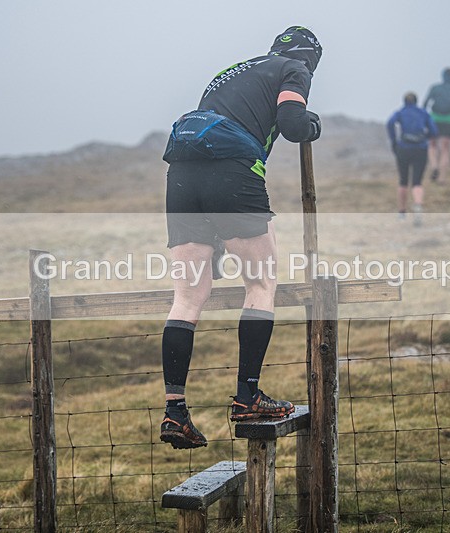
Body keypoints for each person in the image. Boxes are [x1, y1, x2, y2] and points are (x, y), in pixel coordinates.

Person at [158, 26, 323, 449]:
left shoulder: (231, 71)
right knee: (261, 282)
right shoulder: (294, 68)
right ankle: (248, 396)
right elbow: (292, 123)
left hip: (181, 173)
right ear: (311, 59)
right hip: (232, 169)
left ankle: (175, 411)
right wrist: (312, 125)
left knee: (187, 297)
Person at [386, 92, 438, 225]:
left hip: (403, 148)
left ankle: (402, 212)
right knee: (417, 182)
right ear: (416, 101)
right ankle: (418, 205)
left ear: (404, 101)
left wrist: (394, 141)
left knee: (403, 181)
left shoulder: (400, 112)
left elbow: (390, 123)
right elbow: (434, 131)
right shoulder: (423, 113)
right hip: (420, 149)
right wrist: (425, 137)